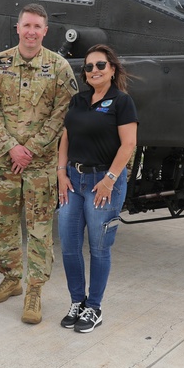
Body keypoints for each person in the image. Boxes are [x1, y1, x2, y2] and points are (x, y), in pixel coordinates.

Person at [0, 4, 77, 324]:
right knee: (4, 225)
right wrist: (10, 148)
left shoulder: (60, 68)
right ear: (17, 28)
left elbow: (61, 116)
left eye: (38, 27)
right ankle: (11, 278)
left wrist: (29, 150)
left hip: (40, 168)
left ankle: (34, 290)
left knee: (38, 231)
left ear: (45, 31)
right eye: (27, 26)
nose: (31, 32)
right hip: (6, 164)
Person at [56, 44, 138, 333]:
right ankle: (77, 301)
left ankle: (94, 308)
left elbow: (128, 144)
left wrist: (110, 179)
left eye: (100, 65)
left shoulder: (121, 102)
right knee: (68, 245)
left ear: (112, 69)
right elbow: (66, 137)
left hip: (104, 183)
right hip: (73, 182)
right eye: (89, 67)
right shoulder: (78, 100)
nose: (94, 71)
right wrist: (61, 173)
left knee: (100, 248)